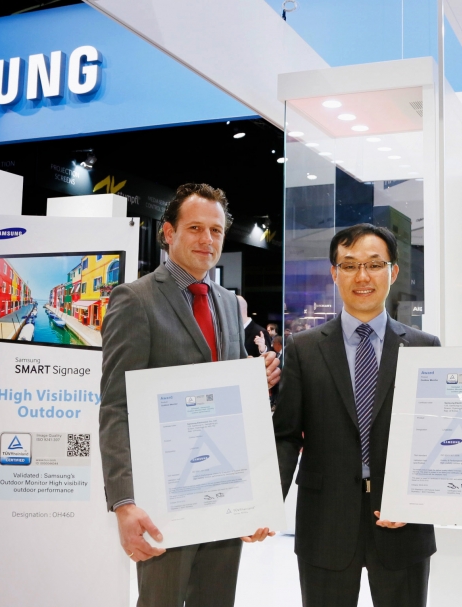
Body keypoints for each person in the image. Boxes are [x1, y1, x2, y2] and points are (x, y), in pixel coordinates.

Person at [100, 183, 281, 607]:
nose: (207, 239)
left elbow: (229, 399)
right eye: (195, 228)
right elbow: (115, 407)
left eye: (216, 230)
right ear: (169, 232)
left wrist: (255, 385)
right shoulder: (135, 300)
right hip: (165, 497)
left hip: (223, 490)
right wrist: (124, 503)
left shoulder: (228, 303)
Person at [273, 224, 439, 607]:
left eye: (374, 264)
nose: (362, 276)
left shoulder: (424, 348)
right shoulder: (304, 349)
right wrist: (264, 505)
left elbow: (433, 437)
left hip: (402, 524)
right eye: (349, 266)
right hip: (324, 521)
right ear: (335, 273)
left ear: (393, 272)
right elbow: (286, 436)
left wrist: (415, 500)